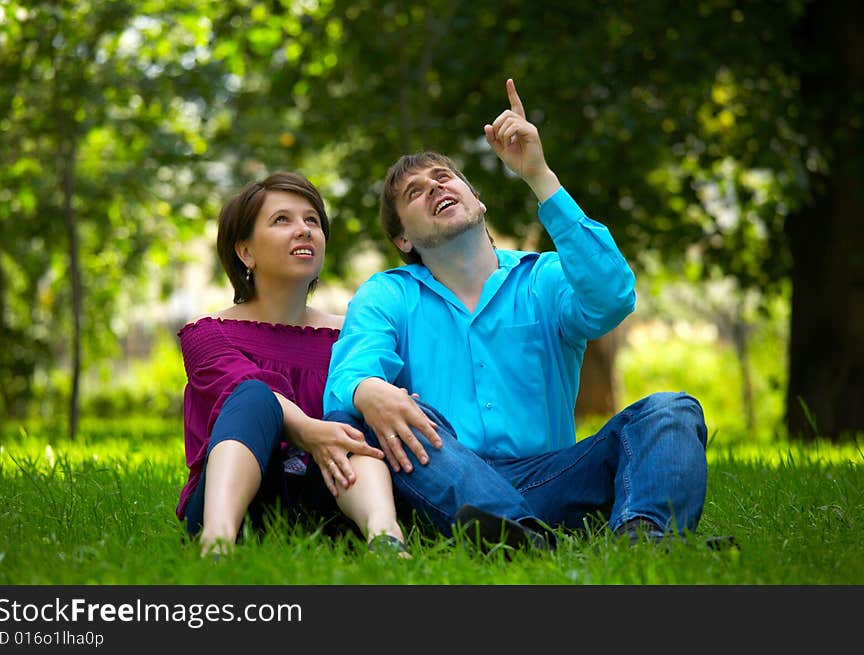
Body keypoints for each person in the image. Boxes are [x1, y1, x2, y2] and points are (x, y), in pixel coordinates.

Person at [322, 79, 709, 548]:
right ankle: (521, 538)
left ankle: (645, 542)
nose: (435, 187)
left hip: (552, 478)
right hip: (444, 483)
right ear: (403, 240)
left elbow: (612, 298)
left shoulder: (543, 278)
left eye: (444, 177)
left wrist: (539, 176)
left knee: (671, 410)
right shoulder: (388, 294)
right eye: (414, 192)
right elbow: (351, 376)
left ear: (477, 200)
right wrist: (369, 390)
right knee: (393, 408)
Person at [176, 171, 410, 556]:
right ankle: (216, 545)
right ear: (245, 252)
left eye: (312, 220)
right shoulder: (206, 334)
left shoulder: (349, 335)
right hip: (241, 506)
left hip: (332, 502)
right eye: (282, 220)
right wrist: (310, 432)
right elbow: (250, 392)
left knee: (353, 413)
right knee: (253, 395)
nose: (304, 230)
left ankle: (386, 539)